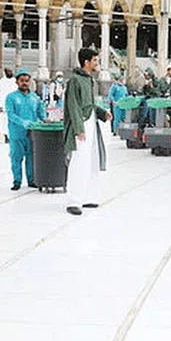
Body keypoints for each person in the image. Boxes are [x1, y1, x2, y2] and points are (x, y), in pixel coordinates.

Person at [64, 48, 111, 216]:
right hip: (81, 126)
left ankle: (88, 197)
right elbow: (74, 106)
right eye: (95, 60)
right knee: (79, 162)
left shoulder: (89, 80)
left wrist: (102, 113)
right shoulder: (75, 80)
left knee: (92, 160)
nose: (97, 64)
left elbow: (88, 105)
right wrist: (78, 129)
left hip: (91, 124)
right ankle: (73, 201)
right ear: (87, 62)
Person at [5, 68, 46, 190]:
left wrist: (45, 119)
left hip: (32, 133)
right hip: (16, 133)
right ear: (17, 82)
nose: (25, 83)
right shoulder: (11, 97)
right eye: (22, 80)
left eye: (27, 81)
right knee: (16, 157)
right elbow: (11, 114)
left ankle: (31, 180)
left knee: (31, 157)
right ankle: (17, 181)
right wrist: (23, 123)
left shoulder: (35, 98)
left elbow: (40, 112)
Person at [0, 67, 17, 142]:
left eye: (11, 71)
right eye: (8, 71)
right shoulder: (2, 81)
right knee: (4, 122)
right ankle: (6, 136)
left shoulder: (15, 81)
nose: (10, 72)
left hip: (13, 105)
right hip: (4, 105)